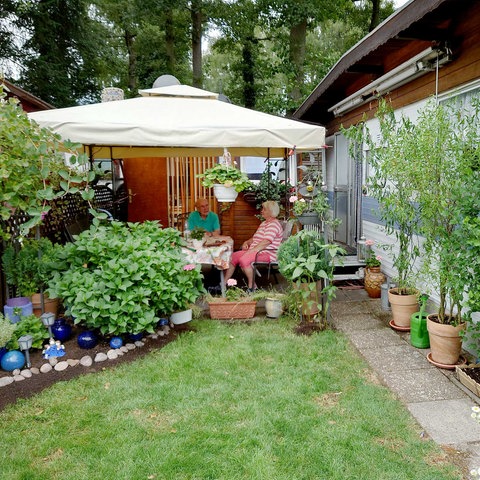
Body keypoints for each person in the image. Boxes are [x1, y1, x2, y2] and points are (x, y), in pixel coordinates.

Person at [224, 200, 283, 291]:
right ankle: (223, 284)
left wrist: (252, 251)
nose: (262, 211)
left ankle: (251, 286)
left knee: (244, 260)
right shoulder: (264, 223)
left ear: (271, 212)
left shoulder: (274, 225)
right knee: (233, 257)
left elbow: (266, 241)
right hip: (256, 251)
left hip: (267, 254)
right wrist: (246, 242)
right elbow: (255, 238)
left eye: (264, 209)